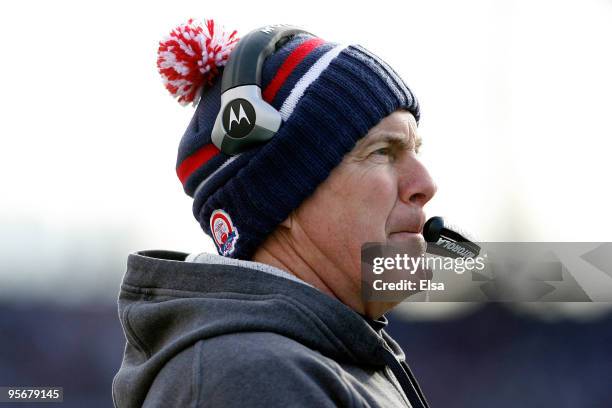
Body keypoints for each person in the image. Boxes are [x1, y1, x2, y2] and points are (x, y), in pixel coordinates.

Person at [113, 19, 436, 408]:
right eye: (383, 152)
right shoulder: (252, 375)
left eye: (416, 149)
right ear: (276, 198)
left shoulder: (317, 355)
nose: (425, 183)